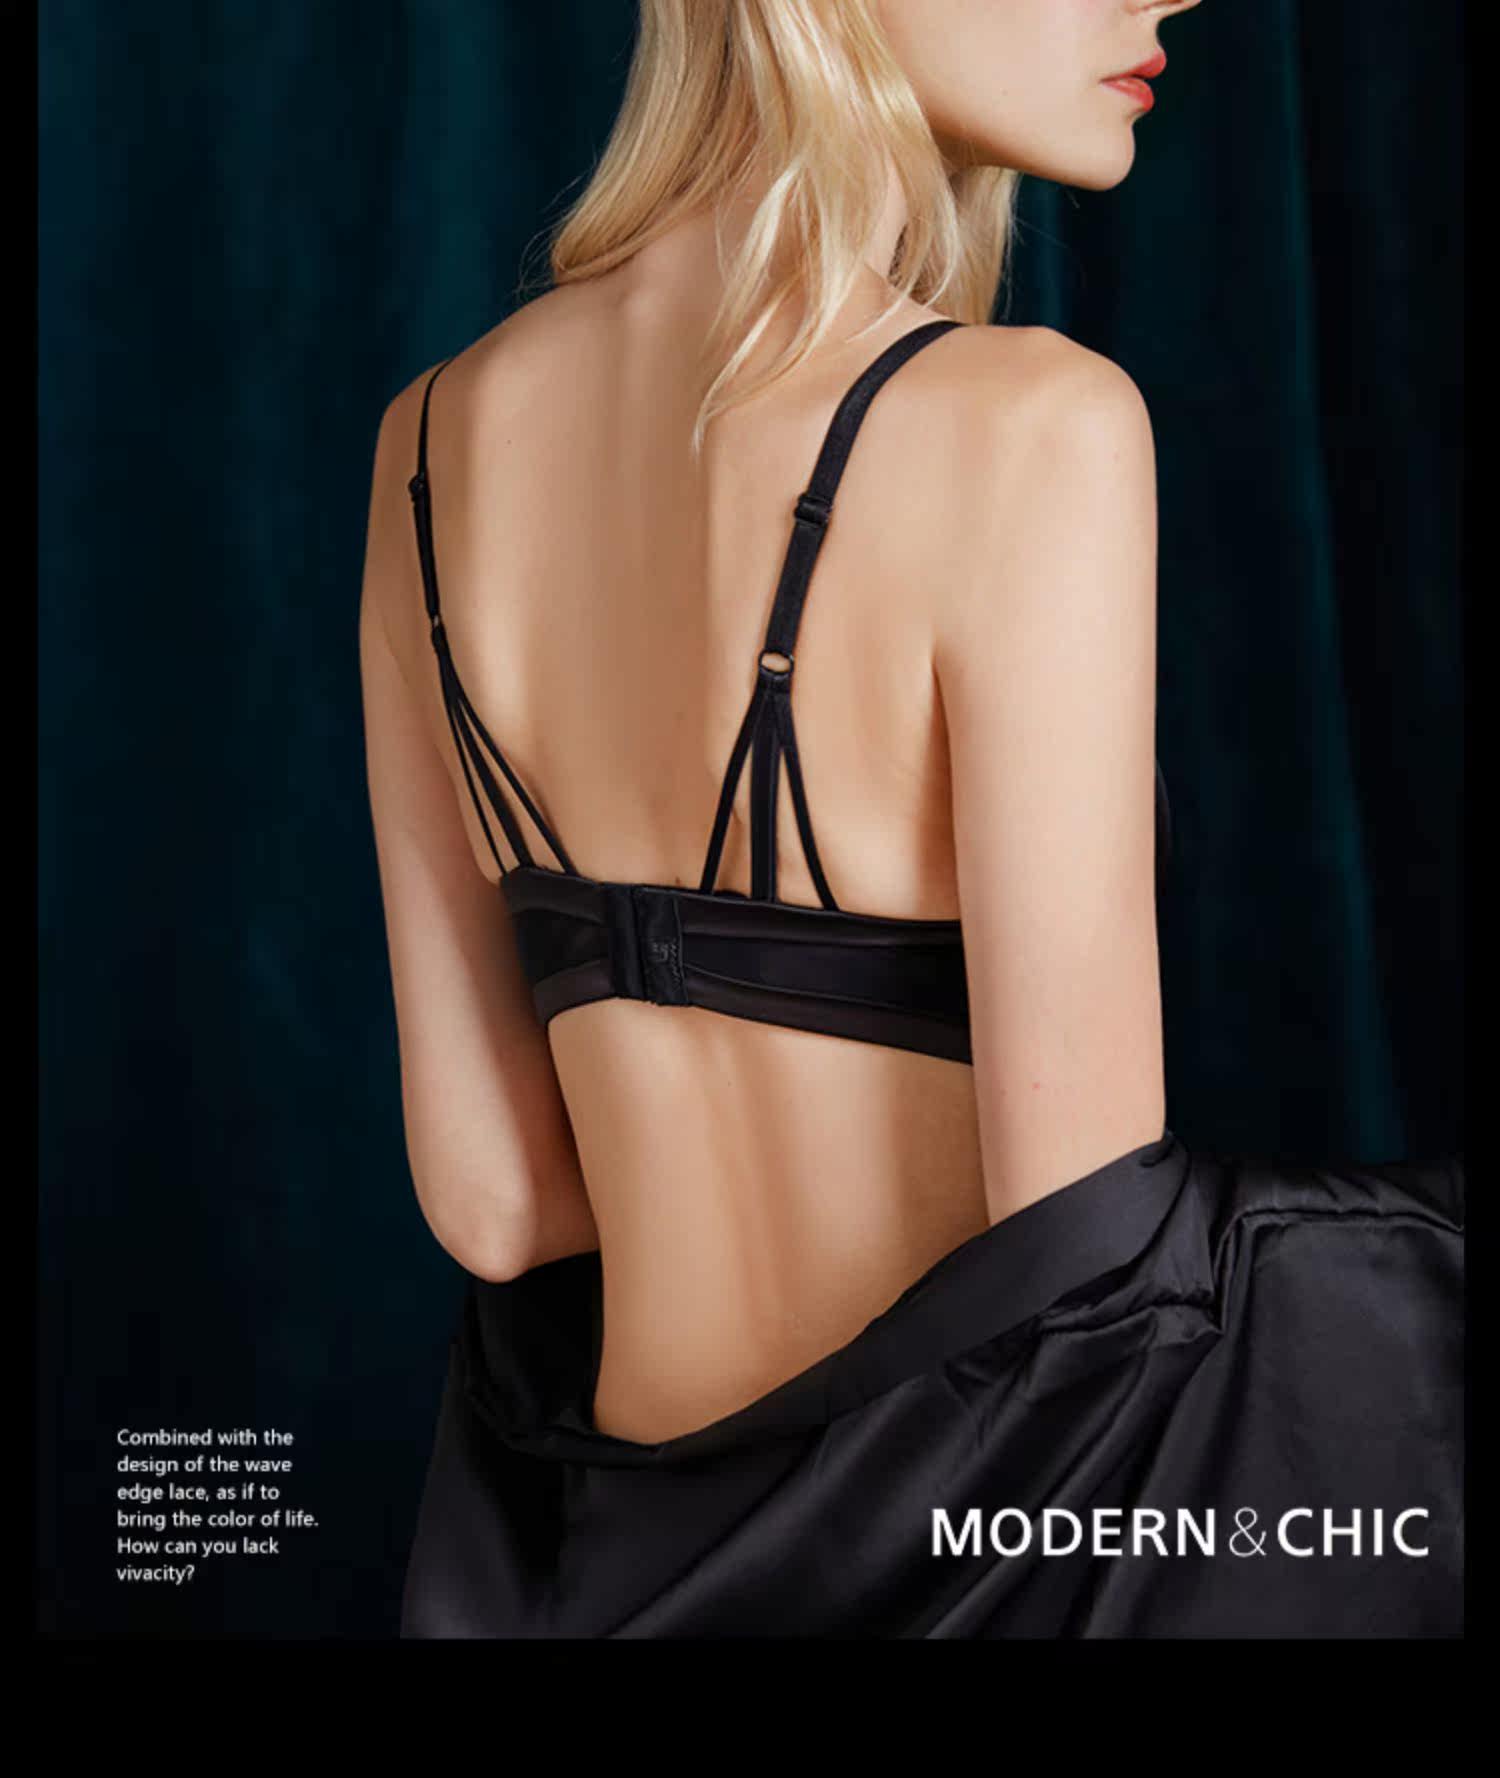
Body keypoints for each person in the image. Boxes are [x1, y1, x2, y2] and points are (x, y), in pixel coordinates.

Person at [359, 0, 1462, 1637]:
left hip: (618, 1573)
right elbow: (1087, 1251)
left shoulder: (427, 449)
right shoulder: (1034, 426)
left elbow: (495, 1198)